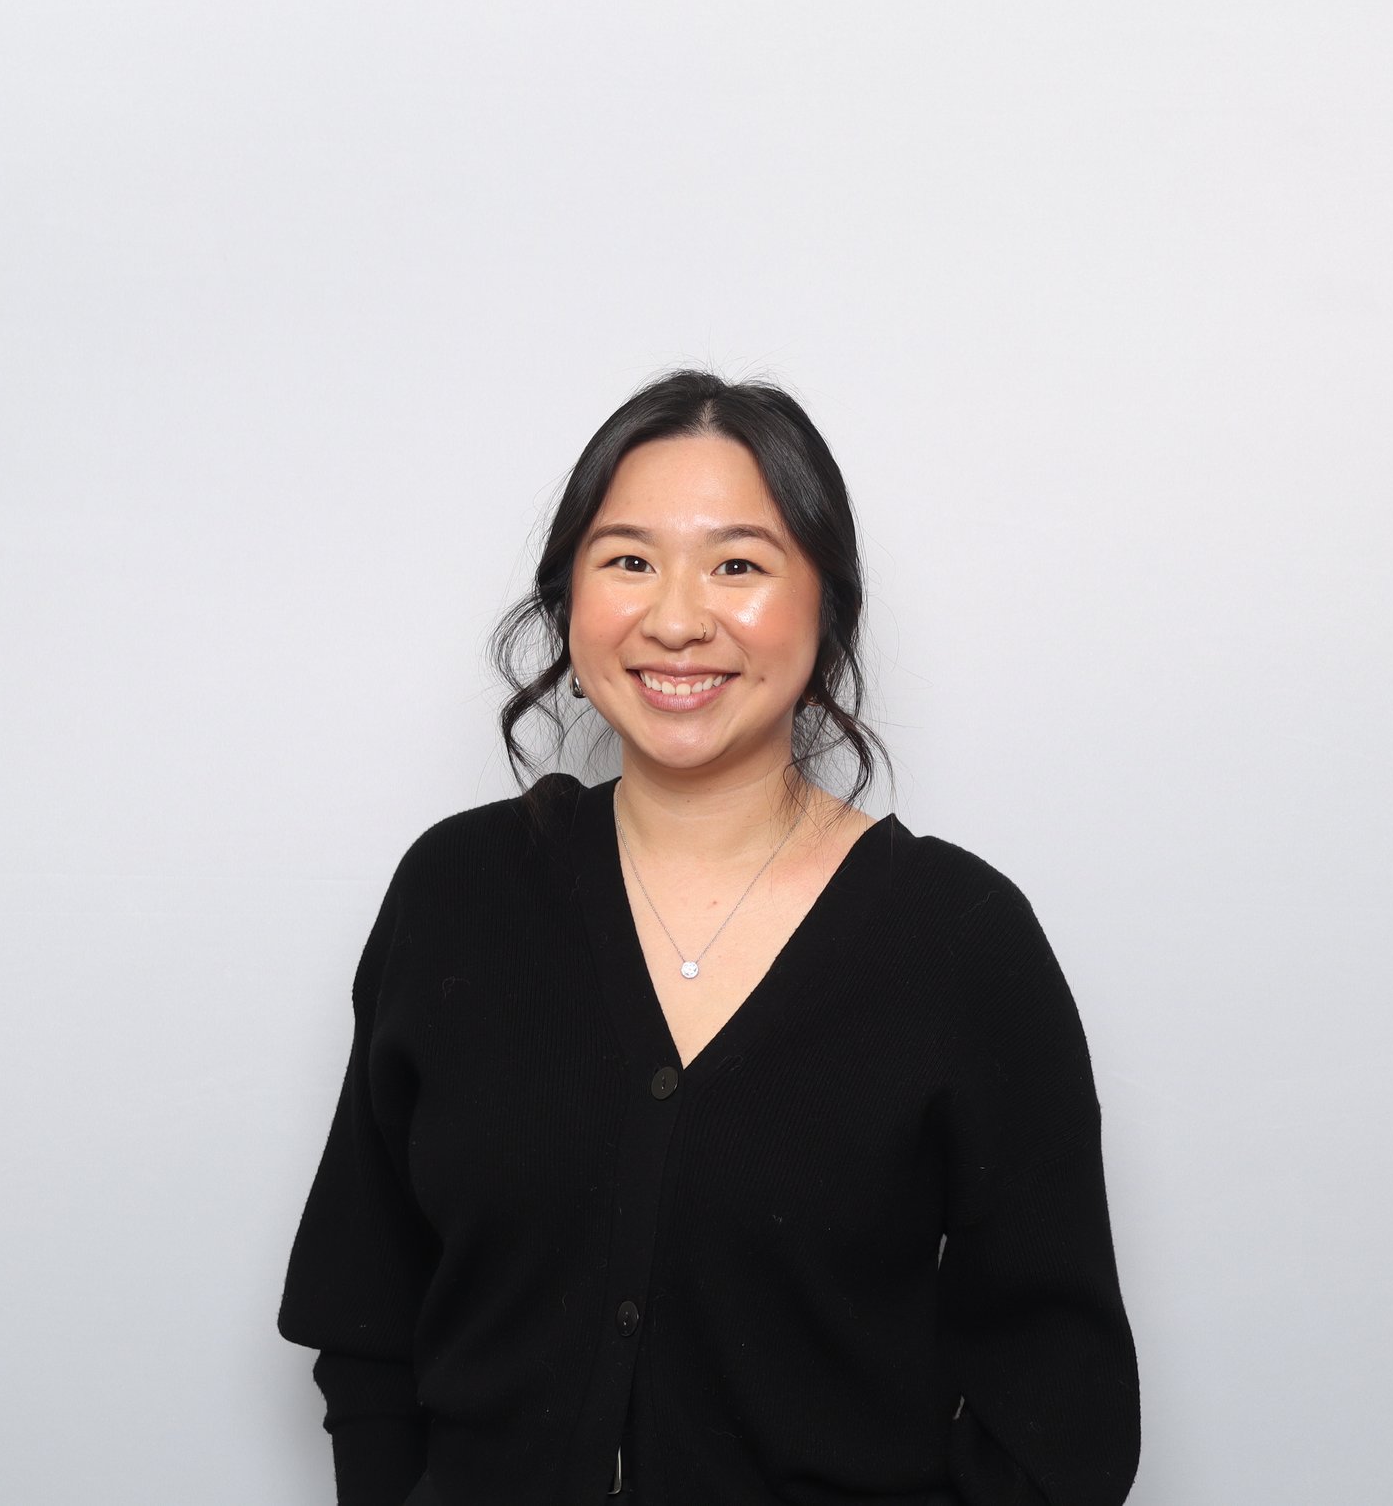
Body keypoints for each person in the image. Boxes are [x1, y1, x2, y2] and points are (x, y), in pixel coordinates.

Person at [277, 371, 1140, 1505]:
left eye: (738, 563)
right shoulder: (458, 894)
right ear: (567, 595)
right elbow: (367, 1311)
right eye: (628, 558)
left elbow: (1060, 1403)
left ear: (823, 600)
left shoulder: (962, 942)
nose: (676, 617)